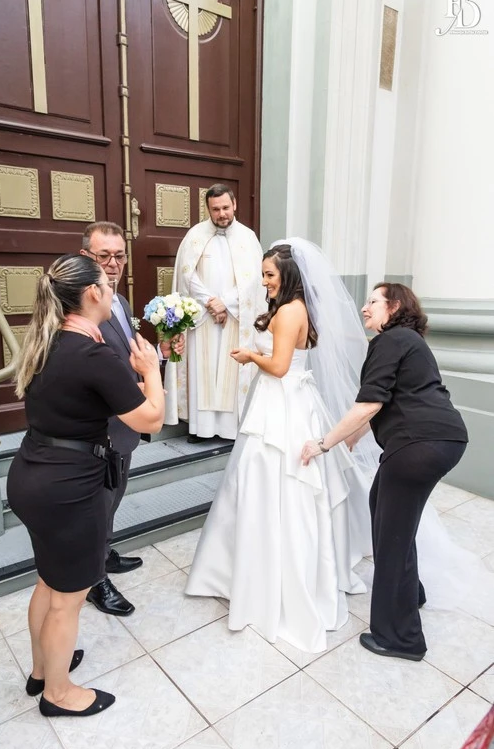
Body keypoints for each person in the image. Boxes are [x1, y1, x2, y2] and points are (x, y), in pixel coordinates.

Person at [185, 242, 373, 653]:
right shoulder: (293, 307)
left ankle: (272, 581)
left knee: (275, 481)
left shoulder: (290, 311)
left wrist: (252, 357)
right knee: (265, 482)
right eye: (264, 273)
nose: (265, 280)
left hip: (284, 404)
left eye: (270, 274)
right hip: (287, 402)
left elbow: (281, 366)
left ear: (288, 275)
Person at [7, 254, 164, 717]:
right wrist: (151, 370)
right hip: (69, 489)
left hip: (31, 477)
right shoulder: (94, 356)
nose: (111, 286)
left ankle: (41, 670)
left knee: (48, 581)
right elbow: (149, 416)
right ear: (93, 293)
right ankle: (58, 693)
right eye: (106, 281)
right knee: (68, 598)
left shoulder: (45, 340)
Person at [301, 281, 468, 661]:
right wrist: (353, 439)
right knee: (386, 511)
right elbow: (388, 399)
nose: (364, 307)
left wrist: (324, 443)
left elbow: (368, 403)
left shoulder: (389, 341)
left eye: (373, 301)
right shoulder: (410, 341)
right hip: (444, 440)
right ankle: (413, 594)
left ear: (393, 307)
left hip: (417, 444)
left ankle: (400, 638)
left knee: (391, 532)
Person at [80, 221, 184, 616]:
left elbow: (128, 357)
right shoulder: (82, 306)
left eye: (119, 255)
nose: (113, 263)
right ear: (85, 257)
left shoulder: (119, 302)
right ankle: (94, 581)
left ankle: (103, 553)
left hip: (125, 421)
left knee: (115, 493)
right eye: (103, 255)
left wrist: (159, 351)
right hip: (100, 424)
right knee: (98, 501)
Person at [164, 184, 266, 442]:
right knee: (204, 371)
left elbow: (255, 278)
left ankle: (231, 429)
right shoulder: (195, 235)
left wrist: (227, 303)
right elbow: (188, 274)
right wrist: (211, 302)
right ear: (208, 209)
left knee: (232, 369)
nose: (221, 214)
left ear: (234, 205)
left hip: (236, 317)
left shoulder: (248, 237)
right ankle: (201, 428)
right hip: (202, 317)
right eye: (215, 209)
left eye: (225, 208)